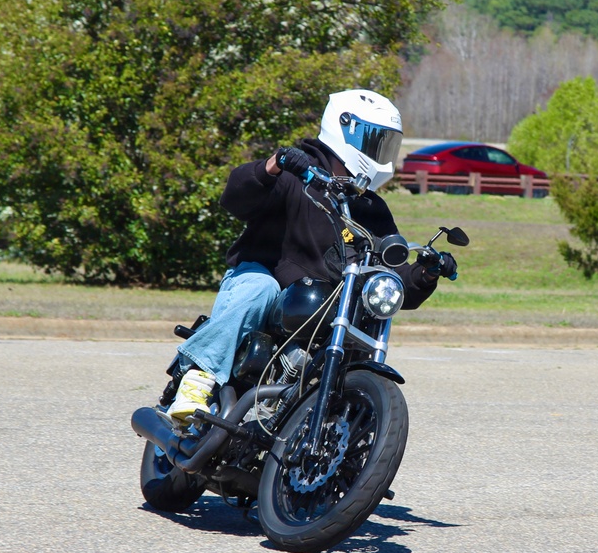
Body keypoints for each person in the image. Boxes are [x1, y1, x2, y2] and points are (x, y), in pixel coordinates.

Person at [164, 89, 457, 422]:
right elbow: (235, 198)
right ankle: (198, 380)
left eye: (387, 143)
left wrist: (425, 273)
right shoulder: (297, 175)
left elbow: (389, 276)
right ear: (345, 128)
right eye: (376, 140)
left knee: (364, 317)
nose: (382, 151)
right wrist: (273, 166)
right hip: (265, 282)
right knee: (260, 289)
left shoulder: (372, 209)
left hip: (322, 309)